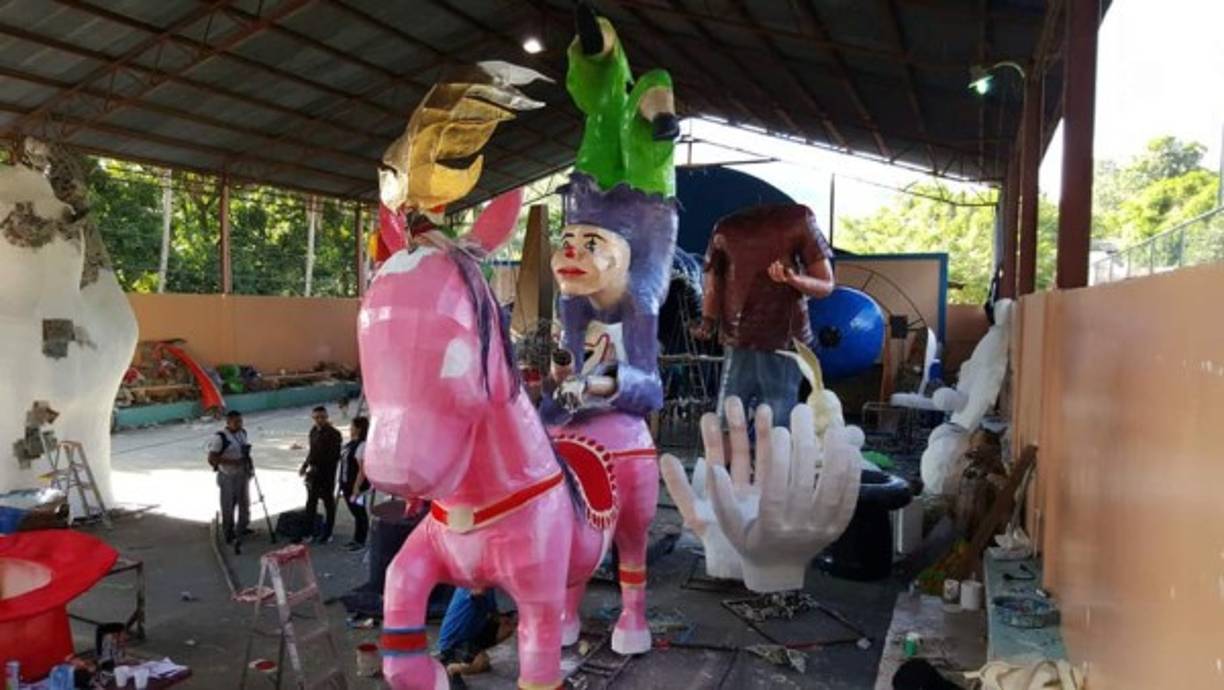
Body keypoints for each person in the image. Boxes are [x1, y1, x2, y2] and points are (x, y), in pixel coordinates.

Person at [694, 204, 835, 427]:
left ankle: (770, 458)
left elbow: (826, 284)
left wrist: (793, 279)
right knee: (731, 415)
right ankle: (730, 460)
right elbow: (714, 279)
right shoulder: (724, 229)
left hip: (783, 339)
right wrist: (708, 319)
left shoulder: (798, 220)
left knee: (777, 414)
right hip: (739, 338)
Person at [436, 589, 517, 686]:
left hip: (470, 635)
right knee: (482, 663)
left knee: (507, 627)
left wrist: (508, 618)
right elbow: (477, 591)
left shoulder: (489, 591)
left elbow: (493, 613)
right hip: (453, 642)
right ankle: (452, 667)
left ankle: (472, 656)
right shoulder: (470, 584)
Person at [207, 410, 251, 544]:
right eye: (236, 422)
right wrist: (233, 462)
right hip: (227, 475)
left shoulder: (242, 433)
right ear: (228, 422)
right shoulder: (220, 437)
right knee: (228, 505)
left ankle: (242, 527)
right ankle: (229, 532)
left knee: (244, 502)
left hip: (242, 474)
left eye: (240, 421)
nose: (239, 424)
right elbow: (212, 458)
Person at [299, 405, 342, 544]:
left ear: (327, 417)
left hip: (327, 474)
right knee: (311, 503)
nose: (319, 420)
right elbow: (311, 452)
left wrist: (318, 465)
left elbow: (334, 456)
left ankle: (328, 533)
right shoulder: (313, 431)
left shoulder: (334, 434)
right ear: (313, 418)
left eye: (322, 417)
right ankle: (308, 532)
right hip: (314, 473)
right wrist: (305, 466)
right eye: (317, 417)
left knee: (328, 503)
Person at [337, 416, 371, 552]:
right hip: (347, 483)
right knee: (355, 512)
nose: (350, 429)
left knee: (360, 512)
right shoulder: (351, 443)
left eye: (352, 426)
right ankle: (356, 538)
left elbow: (362, 470)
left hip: (357, 486)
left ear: (358, 428)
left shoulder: (362, 445)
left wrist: (356, 487)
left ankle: (361, 540)